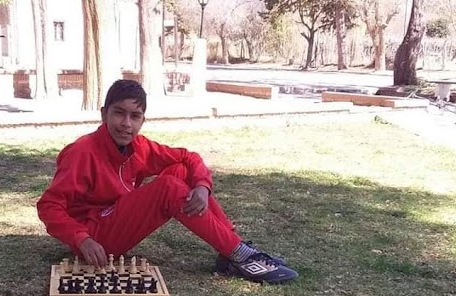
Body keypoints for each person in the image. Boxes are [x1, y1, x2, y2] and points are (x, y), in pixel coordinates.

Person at [37, 79, 298, 284]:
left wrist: (202, 187)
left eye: (135, 116)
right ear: (104, 113)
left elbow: (188, 157)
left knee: (180, 171)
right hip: (97, 239)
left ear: (142, 119)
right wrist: (82, 239)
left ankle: (231, 250)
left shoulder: (139, 146)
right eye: (119, 113)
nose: (126, 124)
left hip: (116, 216)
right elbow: (49, 206)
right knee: (169, 188)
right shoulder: (82, 152)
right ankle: (239, 254)